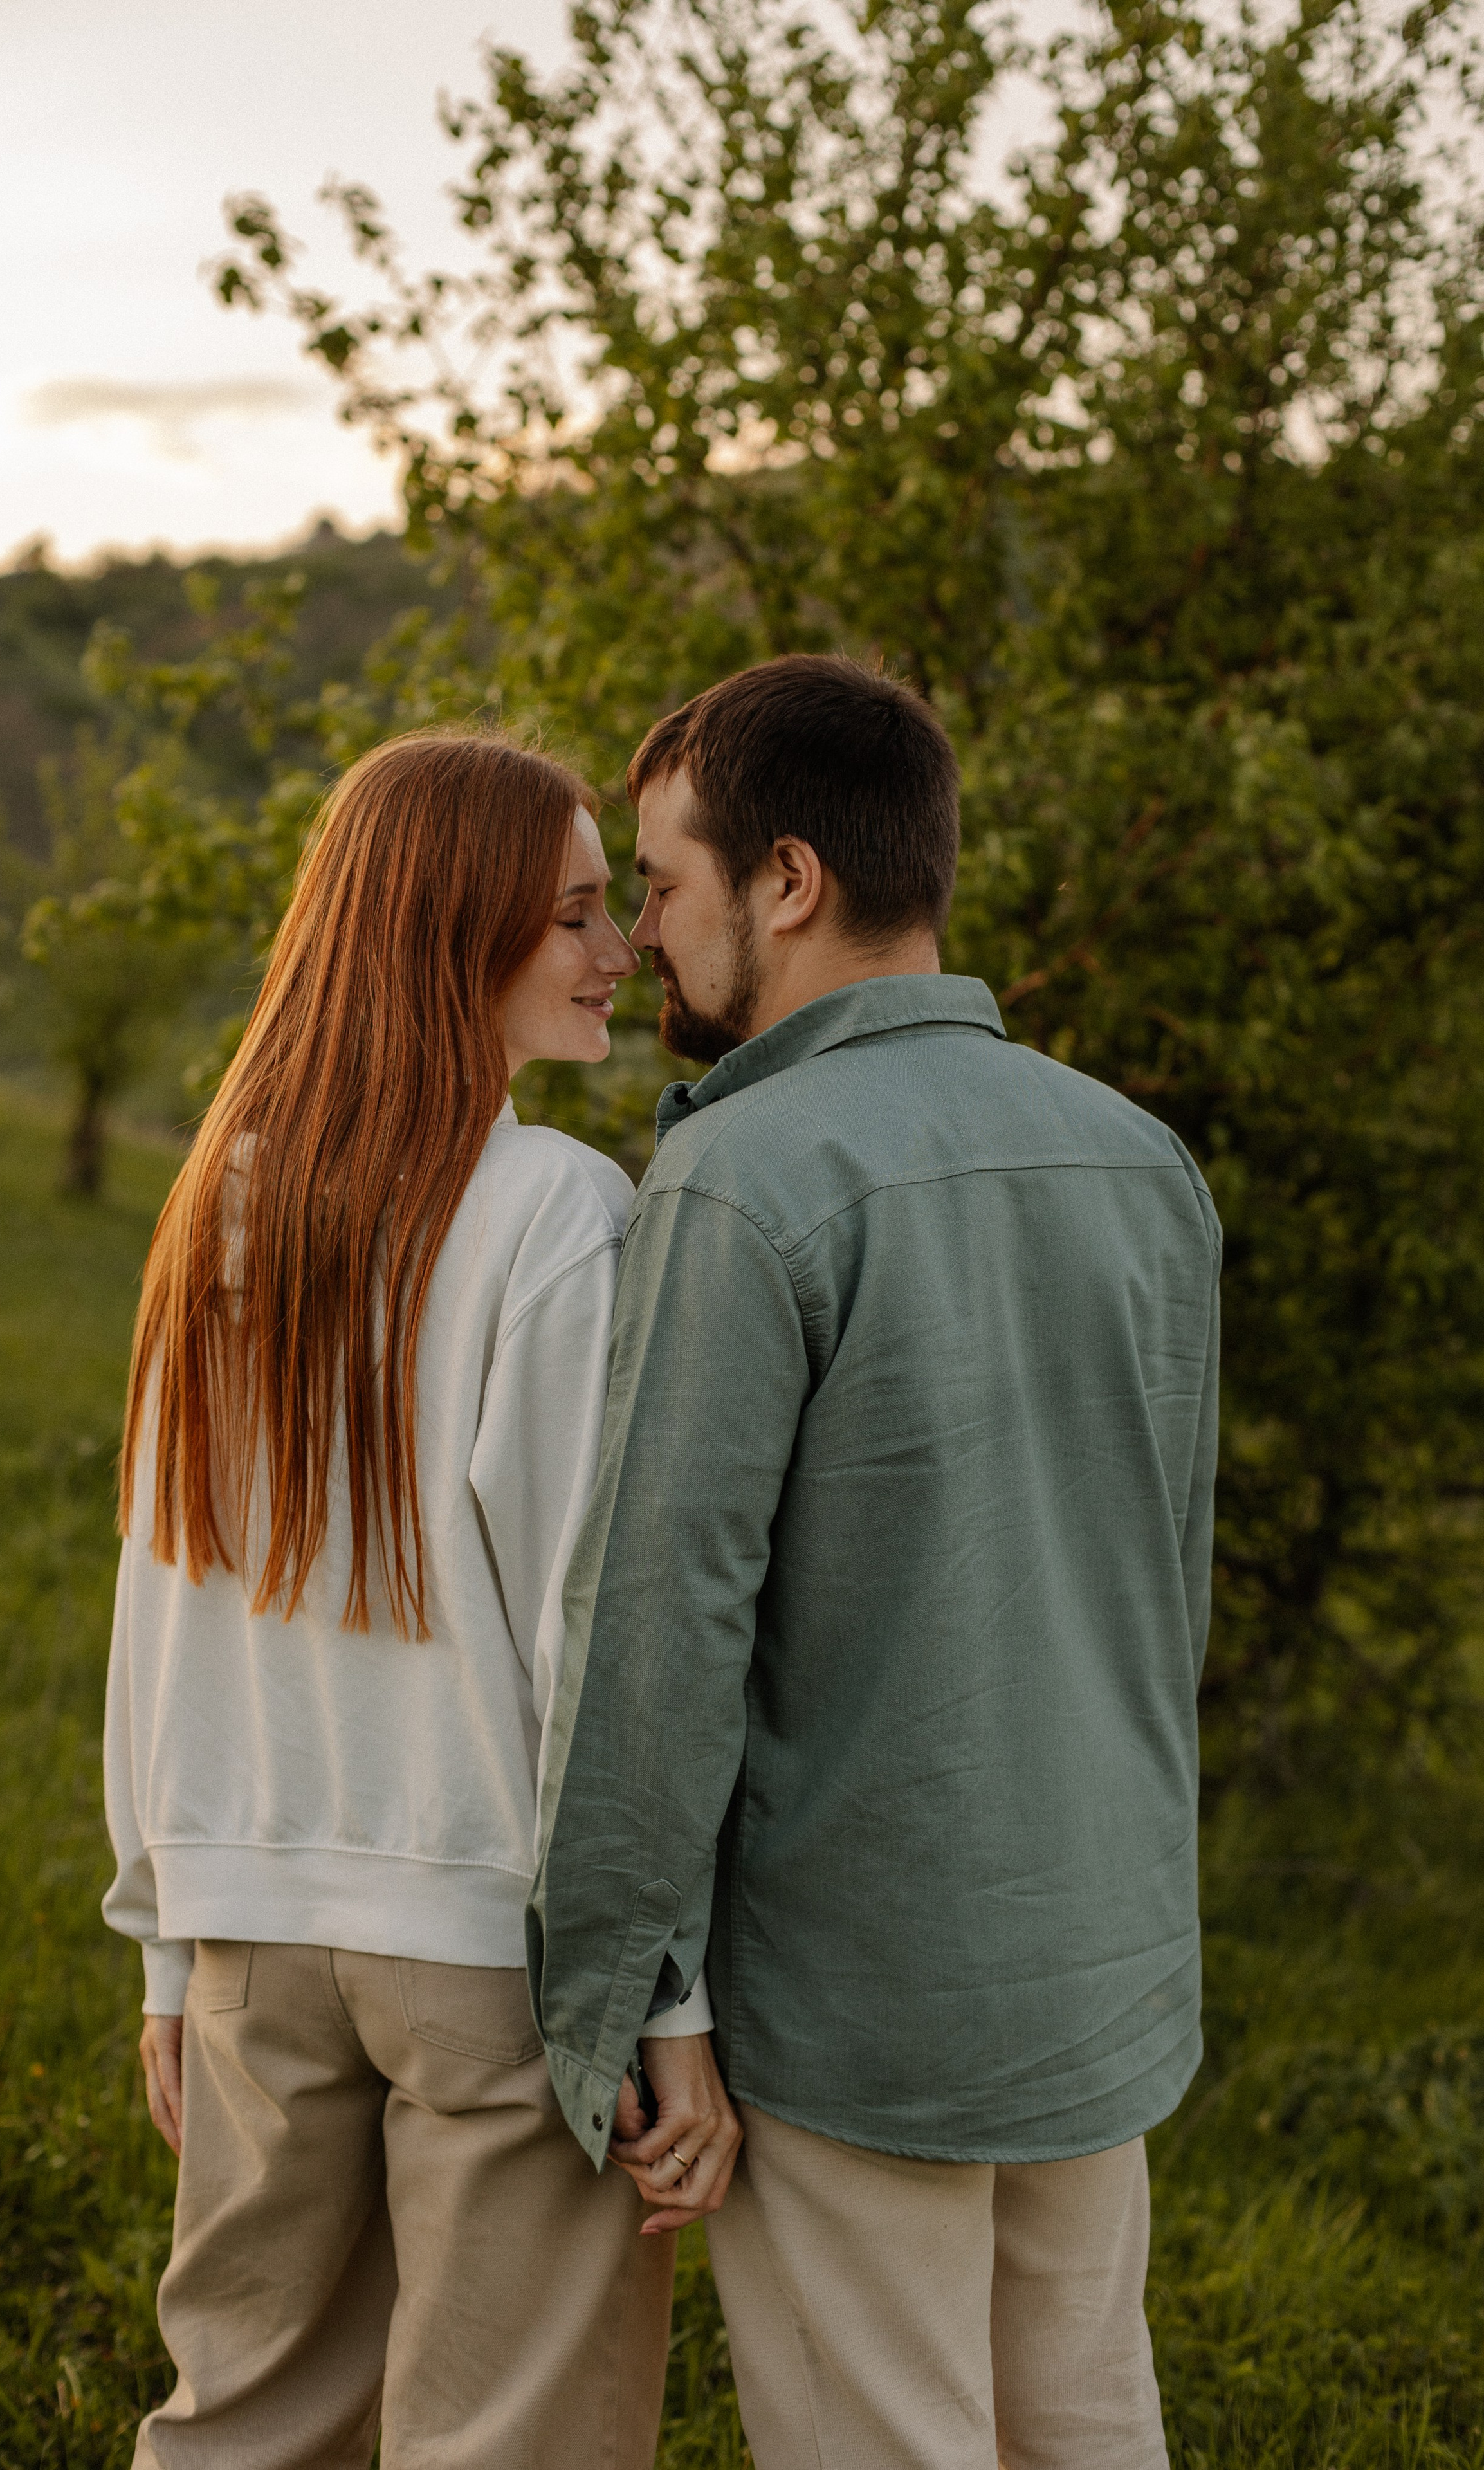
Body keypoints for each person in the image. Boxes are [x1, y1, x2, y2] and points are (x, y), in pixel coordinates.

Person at [527, 655, 1221, 2470]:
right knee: (1091, 2430)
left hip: (860, 2005)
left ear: (788, 880)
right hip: (1098, 1966)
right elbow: (1164, 1595)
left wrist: (613, 2001)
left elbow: (658, 1621)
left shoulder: (746, 1174)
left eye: (663, 885)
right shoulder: (1144, 1162)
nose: (646, 939)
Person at [102, 730, 708, 2470]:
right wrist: (661, 2000)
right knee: (507, 2441)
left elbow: (162, 1593)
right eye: (578, 915)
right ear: (456, 933)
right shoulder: (556, 1216)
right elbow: (585, 1640)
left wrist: (165, 1934)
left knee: (237, 2427)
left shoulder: (216, 1197)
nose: (621, 953)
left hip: (248, 1933)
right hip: (483, 1943)